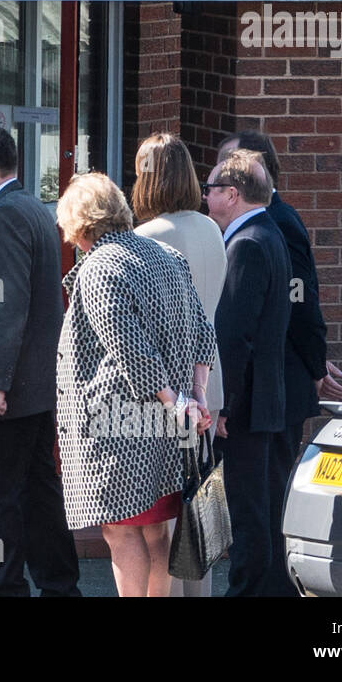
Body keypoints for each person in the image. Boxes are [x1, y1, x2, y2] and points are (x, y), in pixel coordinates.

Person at [56, 172, 216, 597]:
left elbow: (131, 351)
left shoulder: (99, 267)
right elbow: (204, 334)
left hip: (120, 426)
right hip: (169, 423)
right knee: (155, 533)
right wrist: (194, 398)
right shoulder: (167, 256)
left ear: (79, 224)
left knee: (123, 534)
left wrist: (176, 399)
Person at [0, 124, 80, 597]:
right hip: (34, 388)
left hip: (11, 393)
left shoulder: (6, 215)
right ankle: (60, 586)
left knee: (0, 500)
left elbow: (8, 308)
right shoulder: (31, 207)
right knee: (38, 492)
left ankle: (6, 589)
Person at [131, 132, 227, 597]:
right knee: (198, 506)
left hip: (168, 390)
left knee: (166, 518)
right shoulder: (212, 227)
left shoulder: (147, 237)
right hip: (209, 381)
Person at [218, 130, 342, 464]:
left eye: (228, 164)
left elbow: (300, 296)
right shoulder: (248, 219)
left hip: (278, 383)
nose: (218, 175)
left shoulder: (276, 220)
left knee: (266, 494)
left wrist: (315, 365)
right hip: (267, 385)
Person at [204, 150, 293, 597]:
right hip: (262, 399)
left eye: (210, 189)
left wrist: (221, 405)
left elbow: (234, 339)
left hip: (244, 404)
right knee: (255, 505)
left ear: (232, 195)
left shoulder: (247, 244)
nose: (205, 197)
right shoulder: (267, 233)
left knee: (245, 511)